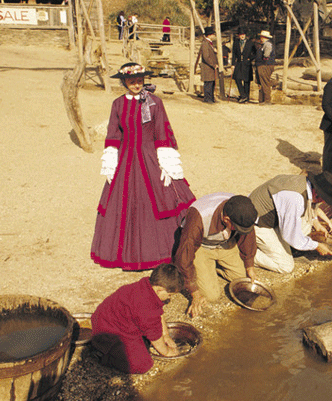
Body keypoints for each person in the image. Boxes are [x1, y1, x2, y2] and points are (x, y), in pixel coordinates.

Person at [91, 63, 196, 270]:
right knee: (123, 203)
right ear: (124, 82)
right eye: (131, 81)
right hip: (125, 160)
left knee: (158, 199)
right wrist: (111, 160)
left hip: (150, 158)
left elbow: (162, 131)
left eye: (139, 80)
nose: (136, 84)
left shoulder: (155, 102)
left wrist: (165, 161)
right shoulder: (117, 104)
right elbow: (113, 134)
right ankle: (126, 253)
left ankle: (161, 249)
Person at [174, 193, 258, 317]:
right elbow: (184, 256)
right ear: (226, 219)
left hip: (225, 243)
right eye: (237, 228)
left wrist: (250, 267)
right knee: (211, 295)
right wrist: (195, 293)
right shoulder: (199, 218)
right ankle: (207, 267)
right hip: (202, 246)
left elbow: (248, 237)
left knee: (244, 282)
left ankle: (216, 268)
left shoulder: (242, 211)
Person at [91, 264, 182, 374]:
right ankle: (103, 356)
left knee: (144, 343)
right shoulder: (146, 308)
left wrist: (166, 335)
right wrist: (168, 352)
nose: (169, 298)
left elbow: (159, 313)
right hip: (109, 330)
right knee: (143, 365)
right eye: (170, 295)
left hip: (111, 318)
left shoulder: (147, 287)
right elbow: (156, 339)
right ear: (159, 290)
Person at [248, 172, 332, 273]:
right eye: (324, 198)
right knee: (286, 266)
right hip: (256, 222)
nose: (324, 202)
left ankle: (283, 246)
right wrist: (316, 246)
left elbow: (310, 205)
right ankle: (246, 253)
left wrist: (316, 223)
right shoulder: (295, 198)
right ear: (316, 193)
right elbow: (290, 235)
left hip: (270, 214)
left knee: (306, 226)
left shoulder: (305, 183)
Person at [231, 29, 255, 103]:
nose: (242, 36)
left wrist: (249, 59)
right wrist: (232, 64)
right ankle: (243, 95)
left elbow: (255, 53)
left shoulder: (250, 43)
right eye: (241, 34)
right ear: (238, 35)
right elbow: (234, 54)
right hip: (238, 63)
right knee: (237, 79)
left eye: (243, 34)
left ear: (245, 35)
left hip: (247, 64)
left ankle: (246, 98)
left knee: (246, 80)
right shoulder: (236, 43)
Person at [255, 30, 275, 103]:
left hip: (265, 65)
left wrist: (263, 58)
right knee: (262, 82)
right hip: (263, 65)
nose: (261, 38)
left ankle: (267, 100)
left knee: (265, 82)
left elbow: (266, 55)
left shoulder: (267, 44)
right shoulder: (264, 44)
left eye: (262, 37)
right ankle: (262, 99)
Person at [200, 26, 218, 104]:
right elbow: (206, 57)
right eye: (213, 34)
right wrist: (213, 65)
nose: (214, 36)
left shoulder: (209, 43)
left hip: (210, 67)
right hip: (208, 67)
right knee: (208, 83)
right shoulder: (205, 44)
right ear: (209, 35)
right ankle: (207, 98)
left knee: (212, 83)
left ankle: (211, 97)